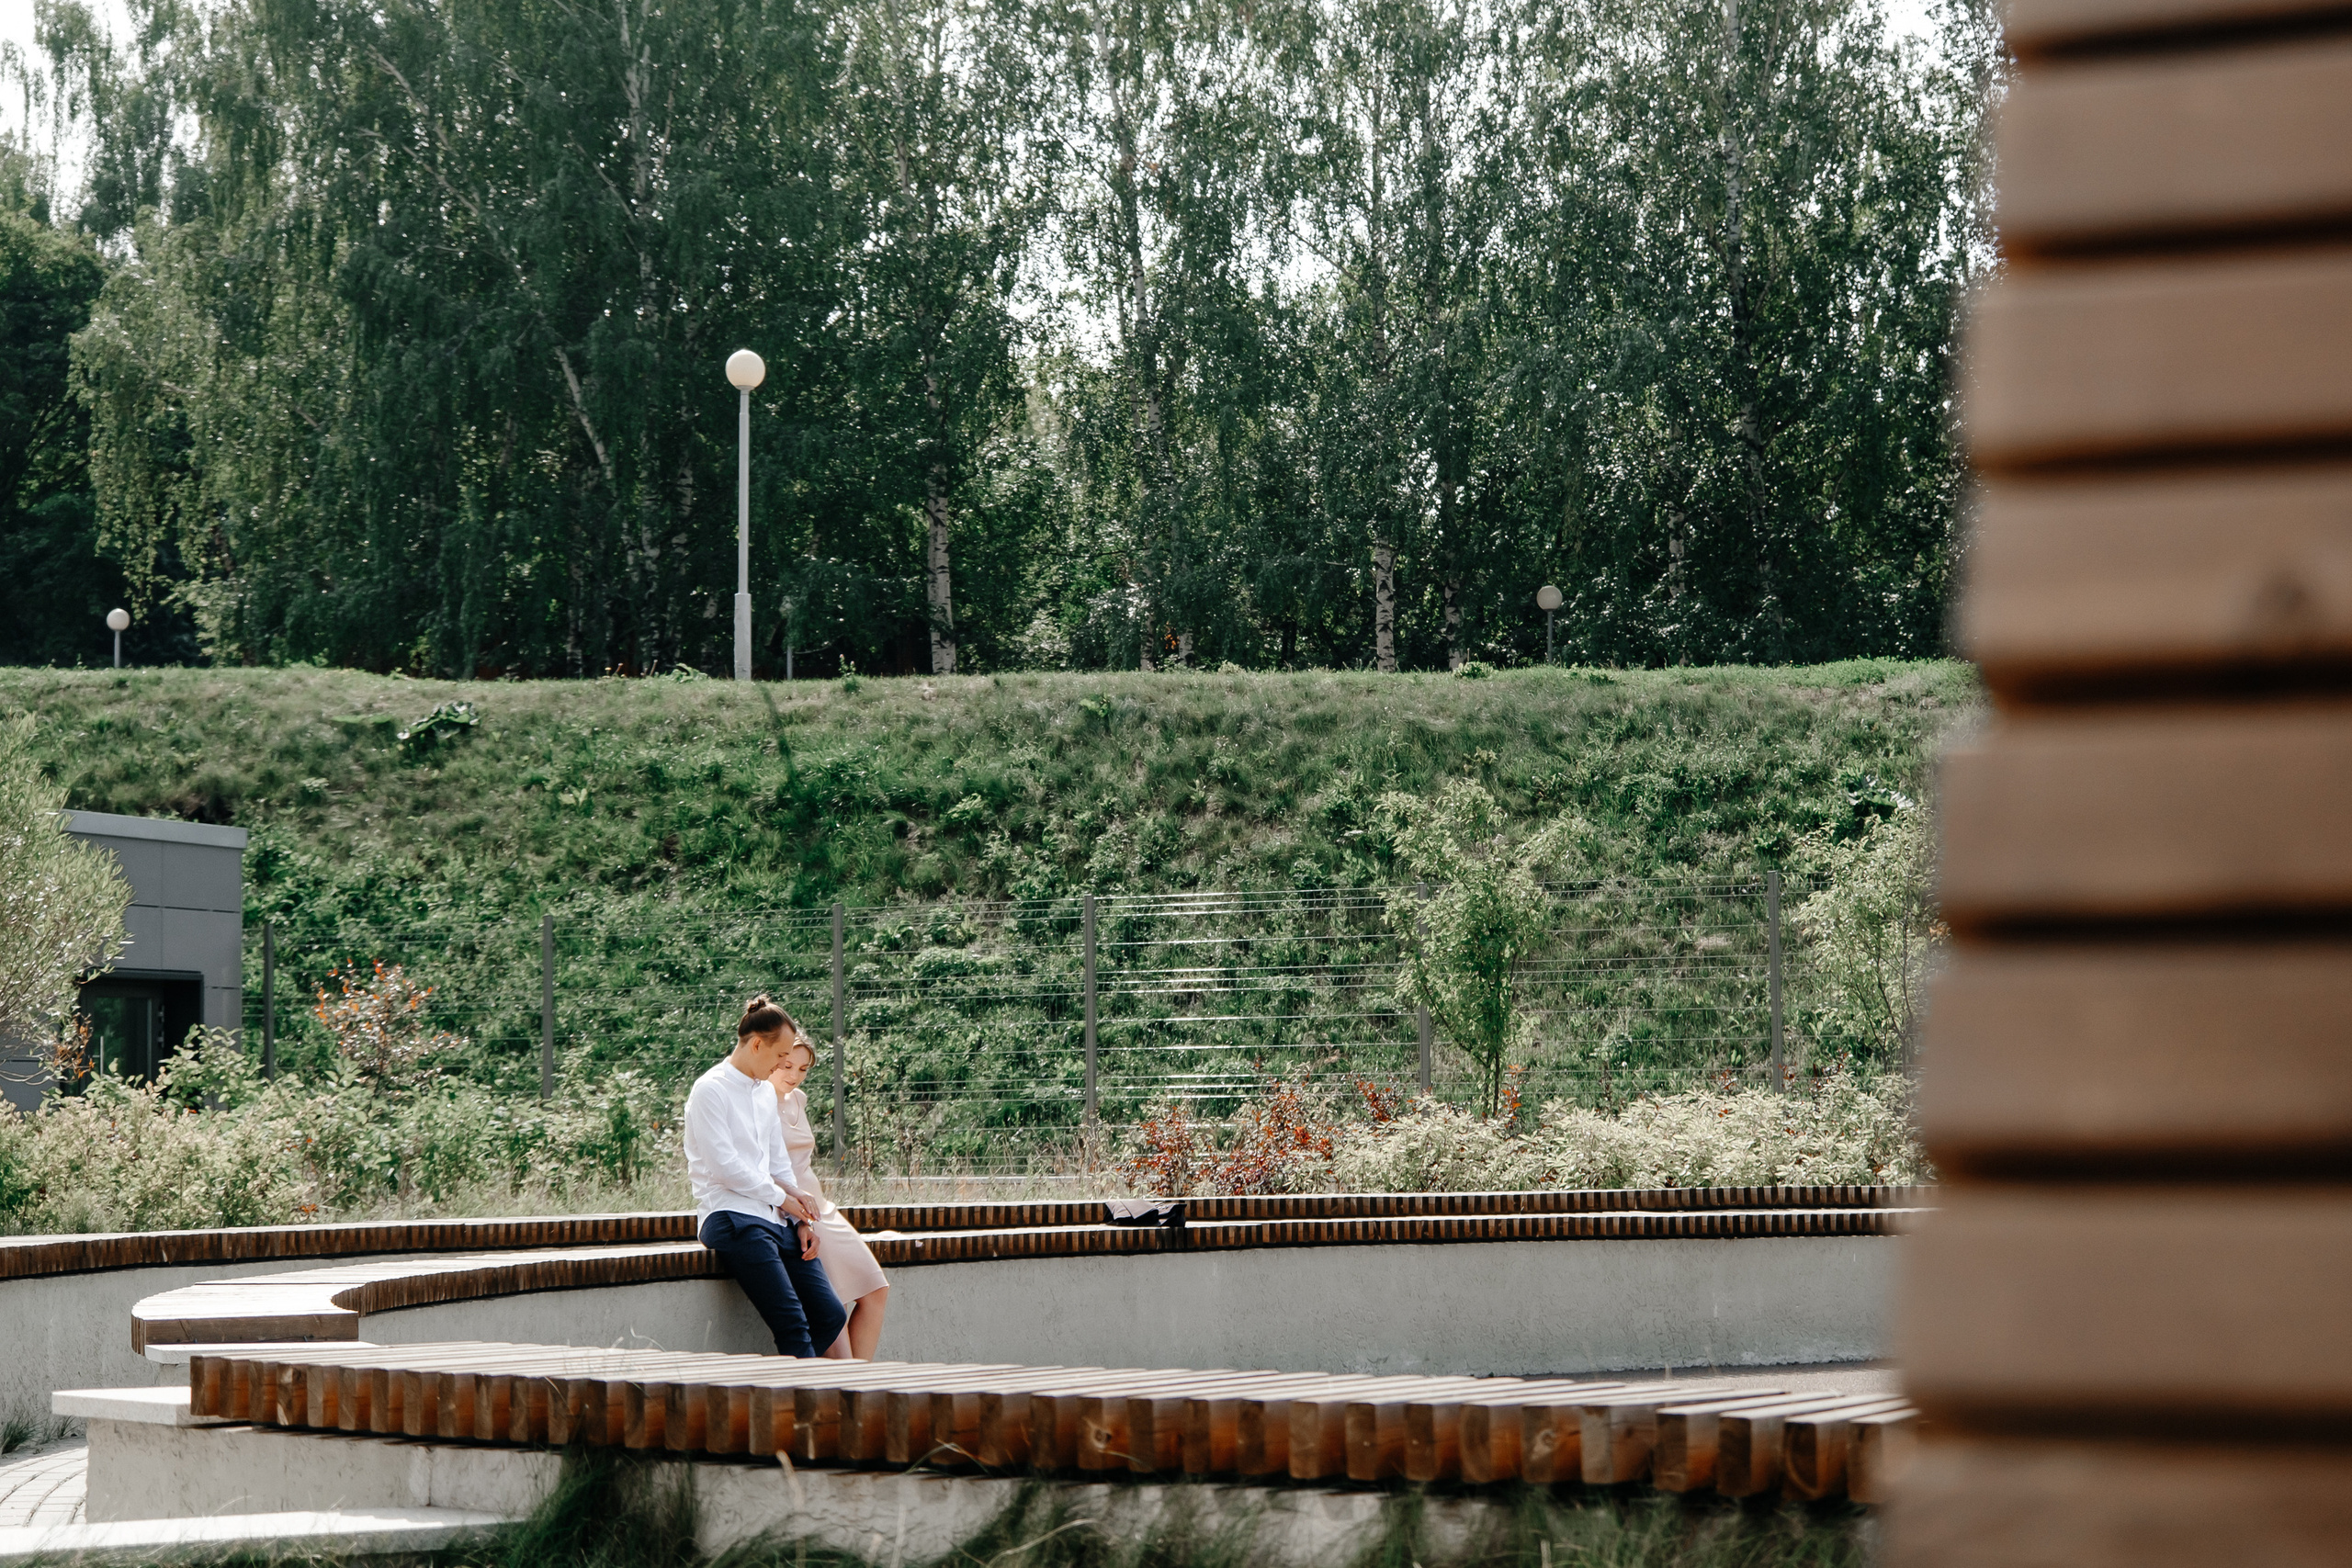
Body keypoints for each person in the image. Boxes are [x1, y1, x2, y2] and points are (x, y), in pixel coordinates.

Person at [684, 994, 847, 1359]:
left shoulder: (762, 1095)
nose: (783, 1065)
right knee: (792, 1323)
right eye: (779, 1057)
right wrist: (782, 1198)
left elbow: (778, 1166)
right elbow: (725, 1167)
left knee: (830, 1315)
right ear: (757, 1044)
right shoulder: (710, 1089)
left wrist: (799, 1215)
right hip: (731, 1216)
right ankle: (802, 1409)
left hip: (773, 1218)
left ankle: (777, 1389)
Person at [766, 1025, 889, 1359]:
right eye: (787, 1065)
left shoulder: (798, 1099)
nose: (794, 1076)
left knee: (876, 1290)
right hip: (792, 1211)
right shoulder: (757, 1102)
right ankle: (849, 1394)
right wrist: (799, 1217)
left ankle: (856, 1387)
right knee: (832, 1309)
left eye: (803, 1069)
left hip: (821, 1207)